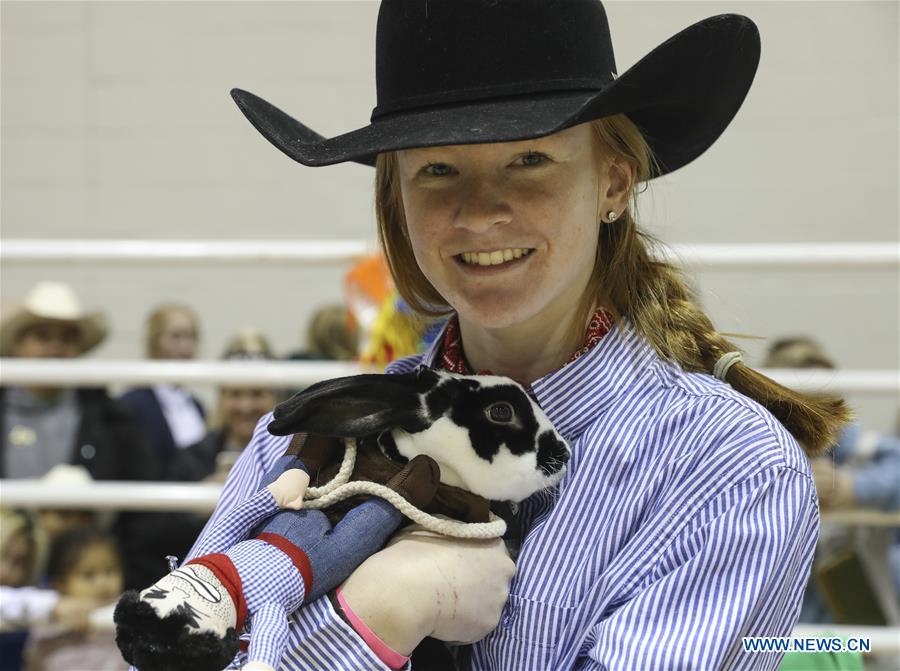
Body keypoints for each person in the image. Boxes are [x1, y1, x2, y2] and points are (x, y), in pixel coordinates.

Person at [192, 1, 852, 669]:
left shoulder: (726, 470)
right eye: (438, 169)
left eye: (530, 158)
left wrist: (344, 629)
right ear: (399, 195)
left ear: (614, 183)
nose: (480, 212)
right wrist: (382, 610)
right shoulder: (311, 436)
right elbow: (161, 636)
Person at [0, 281, 157, 482]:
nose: (56, 347)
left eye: (67, 338)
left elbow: (141, 486)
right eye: (43, 336)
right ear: (17, 347)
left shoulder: (108, 418)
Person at [24, 526, 127, 671]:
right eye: (88, 575)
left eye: (110, 571)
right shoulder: (51, 613)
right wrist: (64, 626)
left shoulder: (127, 609)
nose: (102, 583)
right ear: (60, 584)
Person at [119, 303, 206, 472]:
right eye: (176, 337)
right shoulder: (131, 404)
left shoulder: (196, 406)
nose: (185, 347)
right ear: (155, 342)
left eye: (191, 337)